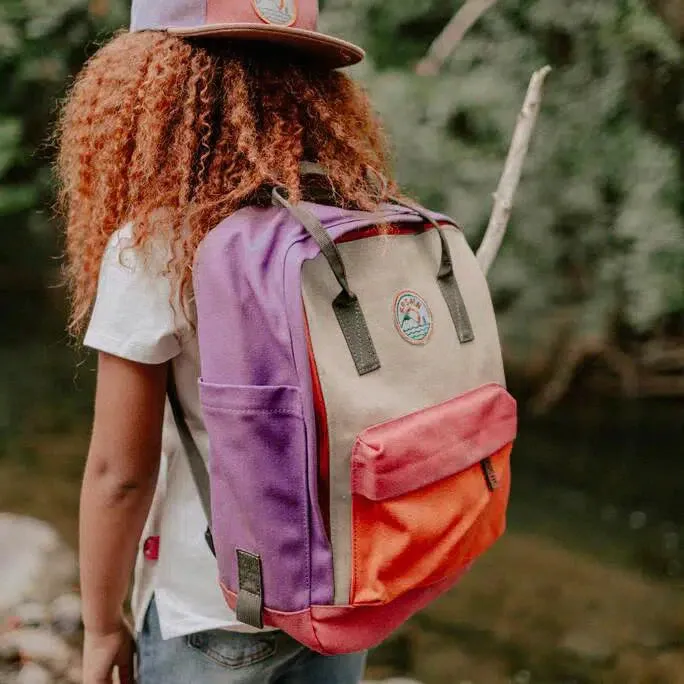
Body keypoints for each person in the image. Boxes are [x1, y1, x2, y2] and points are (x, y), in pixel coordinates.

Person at [56, 1, 396, 682]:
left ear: (152, 89)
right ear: (315, 90)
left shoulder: (158, 247)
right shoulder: (364, 220)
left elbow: (120, 476)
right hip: (346, 583)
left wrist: (100, 626)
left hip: (211, 608)